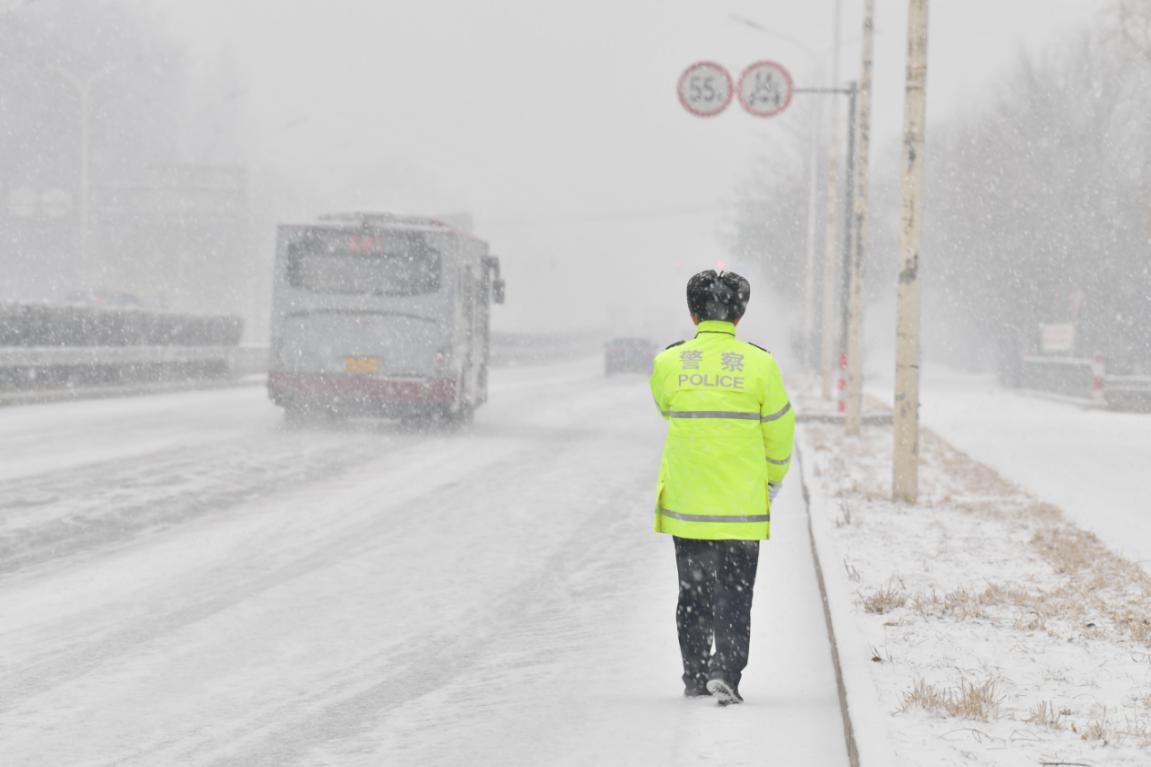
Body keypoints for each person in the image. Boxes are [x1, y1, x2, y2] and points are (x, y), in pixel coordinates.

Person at [649, 269, 795, 706]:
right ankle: (726, 672)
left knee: (693, 592)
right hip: (740, 506)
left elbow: (664, 405)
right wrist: (773, 477)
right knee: (735, 592)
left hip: (688, 504)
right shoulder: (760, 364)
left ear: (693, 314)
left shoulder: (670, 362)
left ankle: (694, 673)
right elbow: (780, 431)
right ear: (739, 314)